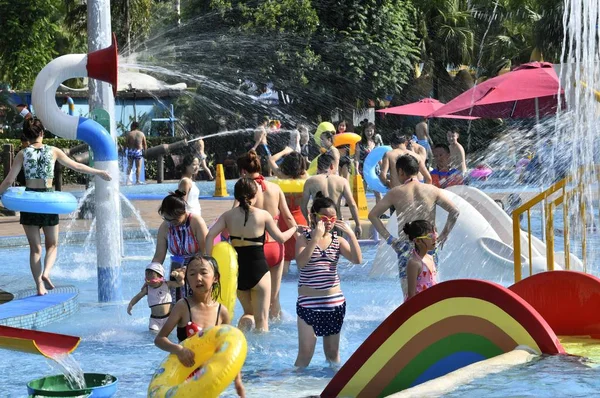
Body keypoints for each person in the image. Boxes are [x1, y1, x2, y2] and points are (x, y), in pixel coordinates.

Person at [0, 118, 112, 295]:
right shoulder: (53, 151)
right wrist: (99, 172)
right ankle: (46, 272)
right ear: (42, 133)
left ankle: (39, 286)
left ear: (26, 136)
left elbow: (8, 180)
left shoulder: (22, 153)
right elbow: (76, 166)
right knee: (52, 245)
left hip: (30, 202)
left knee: (35, 248)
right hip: (48, 202)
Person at [205, 178, 296, 332]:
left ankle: (241, 342)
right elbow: (280, 238)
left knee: (248, 313)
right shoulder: (263, 215)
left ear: (236, 196)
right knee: (262, 321)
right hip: (259, 270)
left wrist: (210, 261)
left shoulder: (228, 216)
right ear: (255, 195)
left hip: (239, 272)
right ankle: (263, 354)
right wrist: (294, 228)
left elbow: (209, 236)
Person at [368, 154, 460, 297]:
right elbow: (454, 211)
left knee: (409, 292)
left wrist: (390, 240)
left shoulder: (396, 192)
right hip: (428, 244)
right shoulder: (432, 190)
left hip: (406, 245)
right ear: (417, 170)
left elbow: (372, 215)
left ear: (400, 172)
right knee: (430, 287)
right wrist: (443, 234)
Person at [154, 256, 245, 397]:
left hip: (208, 380)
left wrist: (238, 381)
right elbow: (160, 339)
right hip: (185, 380)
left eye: (203, 272)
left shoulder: (222, 312)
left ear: (215, 278)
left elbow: (230, 350)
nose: (198, 278)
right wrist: (178, 350)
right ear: (187, 280)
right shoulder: (183, 307)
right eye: (192, 274)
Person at [294, 193, 362, 367]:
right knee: (305, 355)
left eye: (333, 218)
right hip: (308, 304)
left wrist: (351, 235)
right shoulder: (303, 239)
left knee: (332, 355)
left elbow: (357, 260)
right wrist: (315, 237)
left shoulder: (337, 241)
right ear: (313, 216)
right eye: (324, 218)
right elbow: (301, 263)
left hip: (334, 303)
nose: (330, 222)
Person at [236, 150, 297, 320]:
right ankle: (275, 324)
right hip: (276, 247)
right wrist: (299, 238)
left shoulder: (244, 191)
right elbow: (288, 217)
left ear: (243, 172)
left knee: (255, 301)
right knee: (274, 297)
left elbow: (234, 215)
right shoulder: (275, 188)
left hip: (254, 248)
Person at [151, 191, 209, 300]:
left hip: (197, 270)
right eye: (167, 219)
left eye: (174, 219)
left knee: (198, 307)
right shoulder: (165, 227)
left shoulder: (196, 222)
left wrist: (188, 268)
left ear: (183, 212)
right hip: (176, 271)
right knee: (177, 307)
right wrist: (152, 273)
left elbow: (205, 251)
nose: (171, 223)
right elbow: (159, 256)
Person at [268, 152, 309, 276]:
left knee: (284, 259)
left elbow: (271, 160)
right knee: (302, 256)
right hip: (300, 218)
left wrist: (285, 150)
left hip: (283, 221)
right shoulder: (305, 178)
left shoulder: (281, 177)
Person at [301, 153, 362, 237]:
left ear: (318, 167)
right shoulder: (342, 181)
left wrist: (309, 220)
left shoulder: (310, 181)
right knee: (337, 247)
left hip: (319, 222)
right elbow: (352, 205)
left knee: (318, 248)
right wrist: (358, 224)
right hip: (335, 221)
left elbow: (303, 206)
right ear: (332, 166)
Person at [127, 262, 184, 332]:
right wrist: (131, 304)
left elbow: (181, 283)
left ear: (160, 277)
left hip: (168, 318)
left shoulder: (167, 284)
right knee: (153, 334)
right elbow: (138, 296)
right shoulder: (147, 289)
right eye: (147, 279)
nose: (149, 282)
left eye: (152, 279)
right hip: (155, 320)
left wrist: (177, 275)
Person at [403, 220, 438, 300]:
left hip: (431, 303)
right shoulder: (414, 263)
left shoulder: (430, 258)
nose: (434, 239)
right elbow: (411, 294)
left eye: (434, 234)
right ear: (418, 241)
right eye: (430, 236)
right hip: (420, 306)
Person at [355, 122, 384, 203]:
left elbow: (379, 158)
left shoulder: (376, 143)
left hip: (375, 171)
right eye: (367, 131)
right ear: (364, 131)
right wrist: (357, 170)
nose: (369, 133)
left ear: (374, 131)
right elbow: (356, 158)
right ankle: (360, 213)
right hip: (363, 171)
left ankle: (379, 214)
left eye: (371, 131)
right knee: (362, 193)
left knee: (378, 193)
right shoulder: (359, 144)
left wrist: (383, 170)